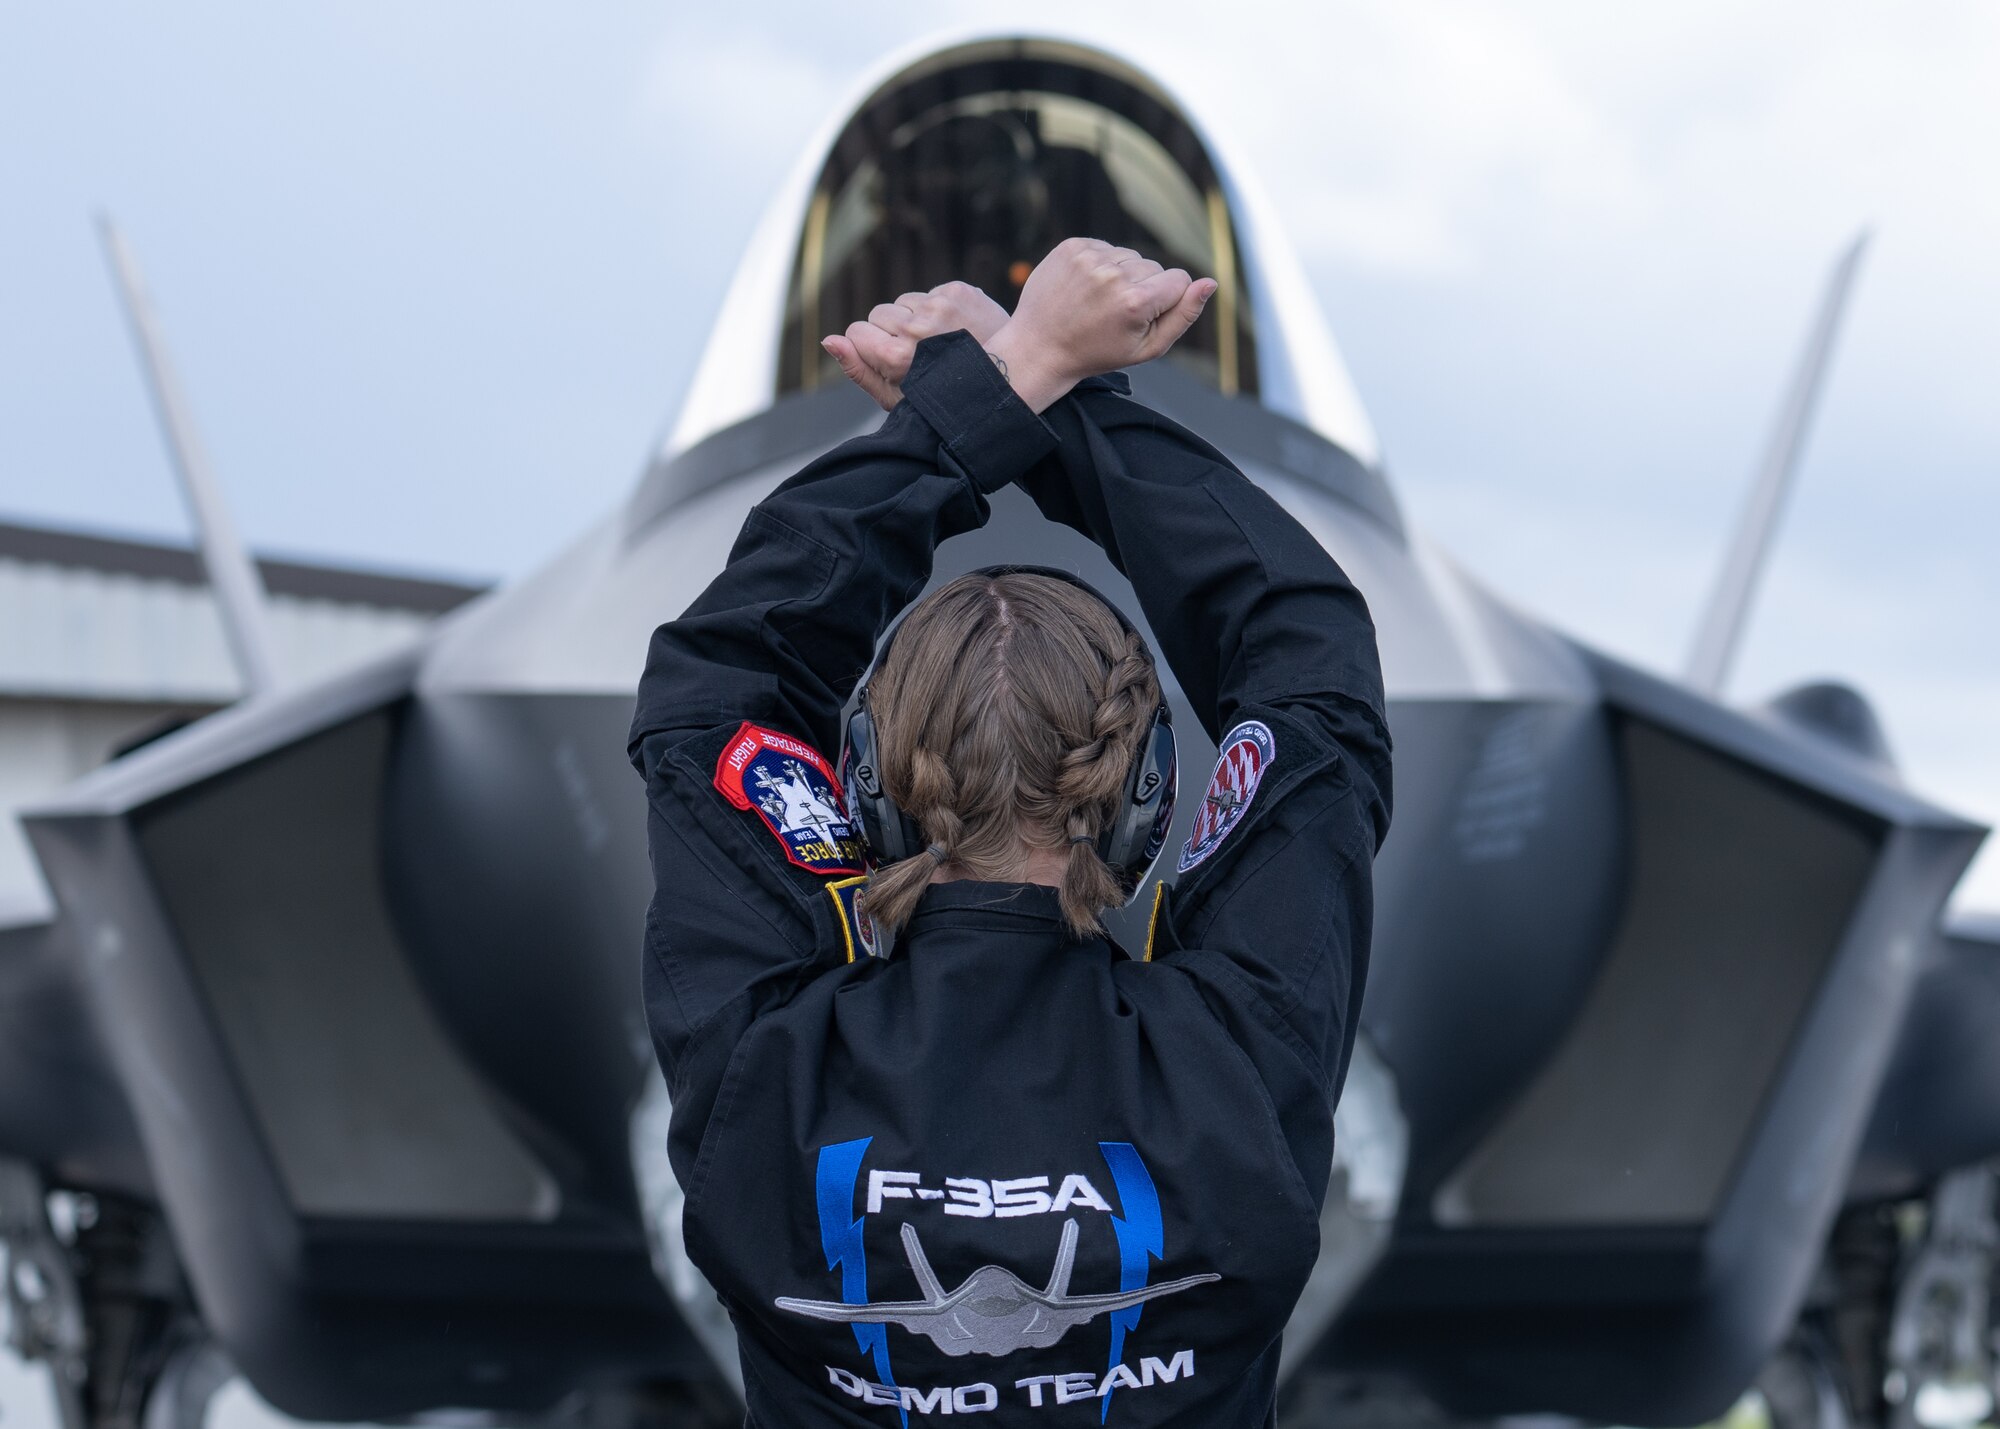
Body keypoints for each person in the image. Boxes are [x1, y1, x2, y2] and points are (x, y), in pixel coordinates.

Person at [628, 238, 1392, 1427]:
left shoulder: (766, 1077)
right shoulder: (1233, 1062)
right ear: (1143, 798)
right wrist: (1042, 389)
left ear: (864, 789)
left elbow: (714, 686)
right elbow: (1309, 661)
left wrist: (1000, 391)